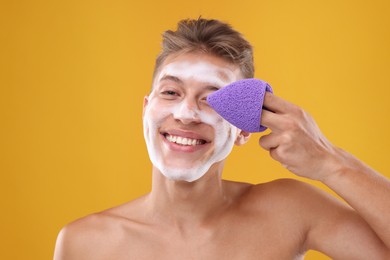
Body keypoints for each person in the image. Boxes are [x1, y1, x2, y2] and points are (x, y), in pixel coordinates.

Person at [54, 18, 390, 259]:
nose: (186, 113)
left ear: (243, 129)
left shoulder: (289, 212)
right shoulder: (85, 243)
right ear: (146, 110)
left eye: (209, 99)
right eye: (171, 92)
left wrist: (331, 163)